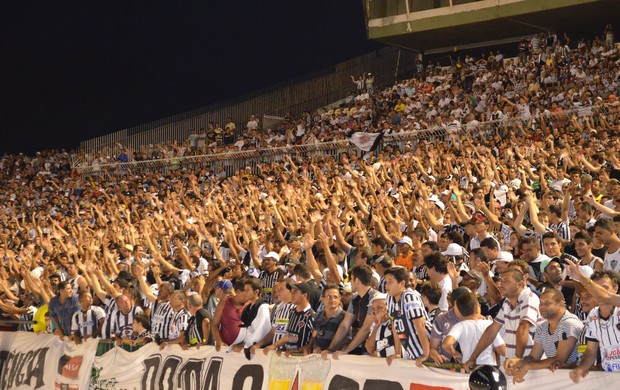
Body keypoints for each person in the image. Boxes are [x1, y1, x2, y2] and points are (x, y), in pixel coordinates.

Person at [464, 269, 542, 370]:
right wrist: (473, 357)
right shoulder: (507, 302)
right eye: (501, 280)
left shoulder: (529, 297)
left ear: (520, 283)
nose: (500, 284)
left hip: (529, 366)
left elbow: (524, 327)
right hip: (513, 365)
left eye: (506, 281)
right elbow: (492, 329)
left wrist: (517, 359)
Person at [504, 289, 583, 383]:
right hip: (559, 380)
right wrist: (516, 362)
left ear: (561, 304)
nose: (542, 307)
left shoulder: (569, 324)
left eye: (548, 303)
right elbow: (533, 358)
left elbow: (559, 360)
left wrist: (527, 366)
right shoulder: (542, 327)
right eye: (541, 303)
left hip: (578, 381)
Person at [569, 271, 620, 380]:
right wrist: (581, 368)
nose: (599, 293)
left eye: (604, 288)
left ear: (615, 288)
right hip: (610, 378)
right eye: (596, 289)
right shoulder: (592, 315)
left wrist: (581, 277)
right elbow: (591, 351)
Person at [323, 265, 379, 356]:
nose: (350, 282)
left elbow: (366, 328)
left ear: (357, 280)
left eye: (351, 279)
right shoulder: (354, 298)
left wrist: (346, 350)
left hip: (377, 348)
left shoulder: (375, 298)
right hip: (363, 347)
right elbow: (344, 325)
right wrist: (330, 348)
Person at [384, 266, 431, 366]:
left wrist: (426, 354)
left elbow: (420, 325)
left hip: (429, 350)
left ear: (401, 283)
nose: (386, 286)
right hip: (412, 353)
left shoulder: (410, 296)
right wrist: (397, 353)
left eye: (390, 282)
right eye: (386, 282)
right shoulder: (389, 298)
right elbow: (395, 327)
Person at [442, 292, 505, 365]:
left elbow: (446, 345)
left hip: (468, 369)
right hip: (488, 369)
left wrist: (456, 354)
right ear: (476, 309)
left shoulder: (459, 326)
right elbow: (502, 350)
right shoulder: (489, 324)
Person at [264, 282, 316, 355]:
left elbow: (315, 340)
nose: (292, 294)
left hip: (303, 361)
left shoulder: (311, 316)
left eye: (295, 292)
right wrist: (278, 346)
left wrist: (298, 350)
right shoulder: (292, 312)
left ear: (304, 295)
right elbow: (290, 336)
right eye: (291, 292)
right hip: (289, 358)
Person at [365, 293, 401, 363]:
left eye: (379, 308)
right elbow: (369, 349)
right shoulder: (375, 325)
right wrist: (377, 326)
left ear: (388, 307)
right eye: (374, 309)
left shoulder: (396, 321)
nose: (376, 311)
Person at [212, 279, 248, 351]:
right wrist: (219, 341)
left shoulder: (250, 305)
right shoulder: (223, 303)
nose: (247, 298)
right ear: (238, 292)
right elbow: (214, 325)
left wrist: (243, 344)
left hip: (242, 350)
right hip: (225, 349)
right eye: (245, 295)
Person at [309, 284, 345, 353]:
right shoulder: (319, 315)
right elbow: (314, 334)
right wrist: (310, 347)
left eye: (335, 297)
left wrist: (328, 351)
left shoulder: (344, 317)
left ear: (340, 298)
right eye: (329, 297)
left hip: (334, 359)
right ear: (322, 299)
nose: (332, 300)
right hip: (317, 357)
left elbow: (346, 340)